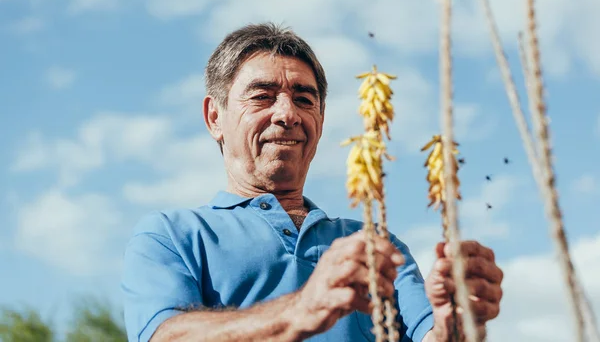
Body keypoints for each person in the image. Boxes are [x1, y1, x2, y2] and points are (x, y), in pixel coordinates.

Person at [121, 22, 504, 342]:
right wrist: (303, 308)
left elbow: (433, 335)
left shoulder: (377, 242)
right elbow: (164, 335)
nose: (287, 114)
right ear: (214, 118)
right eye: (262, 96)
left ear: (320, 121)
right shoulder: (171, 235)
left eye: (304, 99)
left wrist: (459, 320)